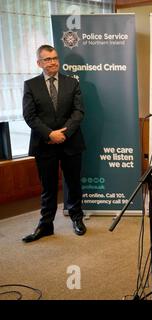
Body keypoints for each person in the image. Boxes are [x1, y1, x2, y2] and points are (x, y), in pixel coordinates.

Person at [22, 45, 86, 243]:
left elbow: (78, 112)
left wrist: (62, 134)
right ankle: (46, 225)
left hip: (70, 141)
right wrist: (50, 134)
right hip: (44, 143)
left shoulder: (72, 83)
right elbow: (29, 115)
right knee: (48, 187)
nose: (52, 62)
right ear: (39, 63)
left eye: (55, 58)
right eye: (47, 59)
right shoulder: (30, 85)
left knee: (73, 184)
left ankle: (77, 218)